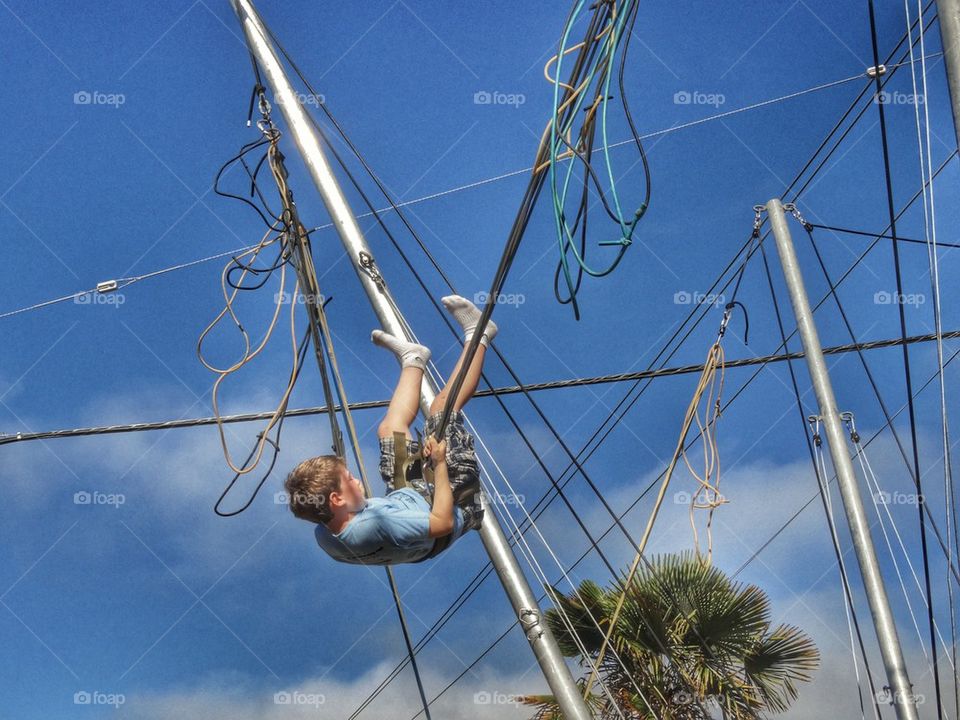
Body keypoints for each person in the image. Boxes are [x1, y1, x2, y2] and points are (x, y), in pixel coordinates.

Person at [283, 295, 496, 565]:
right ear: (336, 499)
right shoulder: (378, 524)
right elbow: (442, 523)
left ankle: (414, 359)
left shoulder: (325, 534)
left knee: (390, 429)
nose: (357, 481)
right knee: (442, 408)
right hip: (455, 504)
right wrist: (439, 463)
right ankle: (479, 333)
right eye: (349, 479)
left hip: (410, 498)